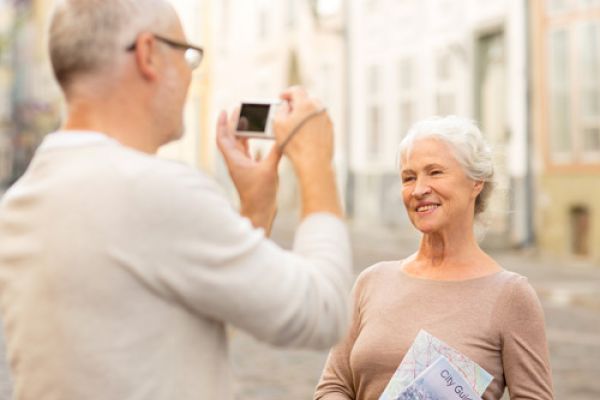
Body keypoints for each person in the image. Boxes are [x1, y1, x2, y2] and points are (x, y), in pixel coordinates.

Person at [0, 0, 353, 399]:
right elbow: (322, 313)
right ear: (149, 54)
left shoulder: (21, 202)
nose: (189, 74)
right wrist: (317, 165)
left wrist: (255, 209)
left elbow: (186, 314)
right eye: (186, 54)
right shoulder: (153, 189)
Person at [314, 116, 554, 400]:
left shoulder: (510, 294)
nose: (419, 189)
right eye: (409, 177)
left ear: (476, 182)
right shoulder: (372, 281)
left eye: (435, 172)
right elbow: (333, 386)